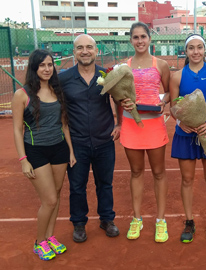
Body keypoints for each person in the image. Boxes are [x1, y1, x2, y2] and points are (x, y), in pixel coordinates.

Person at [11, 49, 76, 260]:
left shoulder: (57, 90)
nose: (47, 69)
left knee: (55, 196)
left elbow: (64, 123)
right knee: (48, 199)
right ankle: (39, 242)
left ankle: (50, 237)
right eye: (42, 65)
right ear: (34, 68)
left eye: (50, 65)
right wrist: (23, 160)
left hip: (59, 149)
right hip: (35, 151)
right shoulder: (22, 95)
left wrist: (71, 152)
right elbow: (17, 129)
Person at [59, 34, 121, 243]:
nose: (84, 51)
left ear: (96, 51)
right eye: (79, 48)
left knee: (105, 183)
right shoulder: (64, 78)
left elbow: (119, 99)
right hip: (77, 143)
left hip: (104, 140)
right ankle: (78, 223)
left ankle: (107, 219)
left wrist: (119, 123)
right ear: (74, 52)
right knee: (77, 186)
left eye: (89, 47)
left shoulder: (107, 74)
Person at [170, 34, 206, 245]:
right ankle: (189, 221)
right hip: (185, 135)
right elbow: (173, 107)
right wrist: (180, 123)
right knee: (187, 180)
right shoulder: (176, 77)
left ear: (205, 50)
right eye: (191, 48)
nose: (196, 52)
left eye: (199, 47)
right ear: (186, 52)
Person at [119, 22, 171, 243]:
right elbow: (117, 96)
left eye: (143, 36)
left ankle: (160, 221)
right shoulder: (124, 67)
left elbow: (169, 92)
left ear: (150, 39)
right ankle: (137, 218)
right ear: (131, 40)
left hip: (154, 125)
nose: (140, 41)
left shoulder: (161, 64)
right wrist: (122, 103)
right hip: (131, 125)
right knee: (136, 172)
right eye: (135, 37)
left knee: (159, 173)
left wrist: (163, 103)